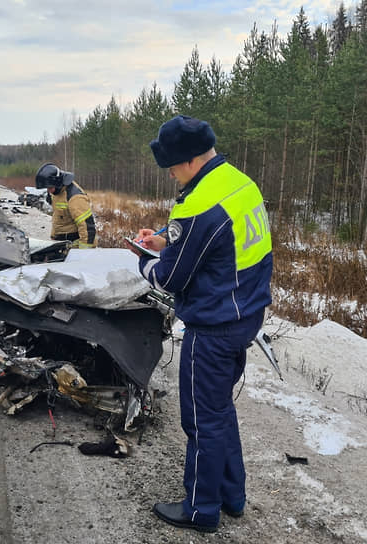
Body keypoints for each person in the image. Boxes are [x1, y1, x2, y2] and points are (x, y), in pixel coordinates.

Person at [127, 115, 272, 533]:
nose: (172, 176)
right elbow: (216, 247)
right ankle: (233, 494)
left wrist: (144, 258)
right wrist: (165, 239)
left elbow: (170, 278)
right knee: (220, 409)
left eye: (172, 168)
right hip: (246, 314)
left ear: (189, 161)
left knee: (201, 419)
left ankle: (201, 509)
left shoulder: (199, 204)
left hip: (213, 327)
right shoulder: (240, 183)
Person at [35, 163, 97, 248]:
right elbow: (59, 213)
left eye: (50, 188)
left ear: (58, 183)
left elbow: (87, 227)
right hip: (61, 241)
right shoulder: (56, 191)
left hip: (73, 243)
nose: (49, 191)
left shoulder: (75, 198)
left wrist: (84, 253)